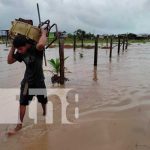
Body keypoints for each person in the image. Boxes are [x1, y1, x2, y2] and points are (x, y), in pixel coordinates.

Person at [7, 28, 48, 135]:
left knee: (43, 100)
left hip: (39, 82)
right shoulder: (20, 52)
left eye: (20, 49)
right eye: (18, 49)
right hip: (27, 83)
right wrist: (13, 47)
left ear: (26, 44)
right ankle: (19, 125)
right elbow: (9, 61)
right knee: (22, 102)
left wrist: (43, 33)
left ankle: (45, 113)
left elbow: (42, 44)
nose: (19, 51)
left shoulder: (36, 48)